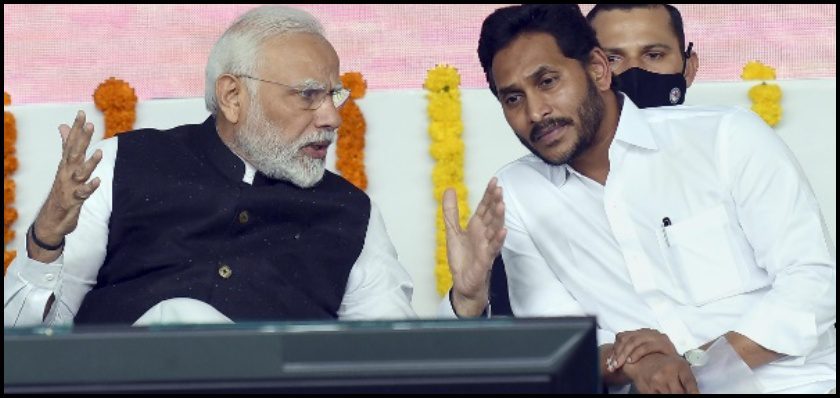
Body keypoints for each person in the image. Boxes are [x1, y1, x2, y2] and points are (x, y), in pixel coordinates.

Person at [4, 5, 506, 326]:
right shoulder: (122, 164)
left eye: (335, 94)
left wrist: (464, 303)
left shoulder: (351, 213)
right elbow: (30, 345)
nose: (333, 117)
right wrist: (45, 240)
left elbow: (390, 364)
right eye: (309, 95)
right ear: (232, 96)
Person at [461, 4, 836, 393]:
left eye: (548, 81)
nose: (536, 112)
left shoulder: (725, 138)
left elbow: (813, 284)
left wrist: (691, 361)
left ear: (598, 69)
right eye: (513, 99)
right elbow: (562, 341)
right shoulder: (516, 195)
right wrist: (636, 364)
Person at [586, 4, 699, 108]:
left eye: (654, 56)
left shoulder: (716, 128)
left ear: (689, 68)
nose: (634, 69)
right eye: (611, 59)